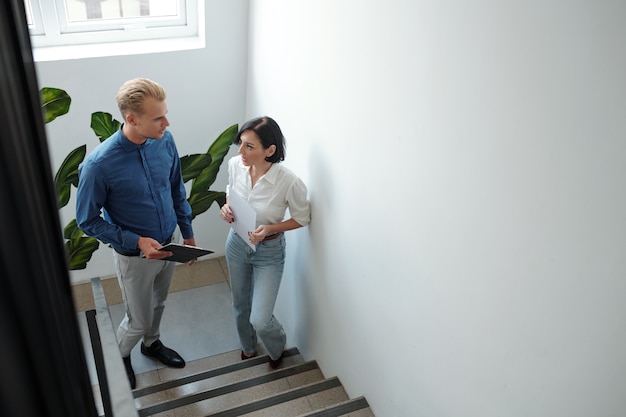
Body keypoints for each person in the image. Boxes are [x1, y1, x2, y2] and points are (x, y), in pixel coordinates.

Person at [76, 78, 196, 389]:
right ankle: (119, 357)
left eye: (165, 114)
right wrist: (136, 241)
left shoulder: (165, 141)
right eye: (158, 117)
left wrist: (188, 232)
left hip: (170, 243)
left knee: (159, 304)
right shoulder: (98, 166)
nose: (166, 123)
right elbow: (87, 221)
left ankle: (151, 344)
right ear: (132, 119)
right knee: (137, 320)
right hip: (135, 257)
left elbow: (176, 189)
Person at [219, 116, 311, 369]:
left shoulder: (289, 182)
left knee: (260, 317)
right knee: (240, 302)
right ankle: (248, 346)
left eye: (249, 146)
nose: (241, 151)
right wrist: (228, 208)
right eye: (241, 144)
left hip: (269, 251)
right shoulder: (236, 164)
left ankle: (276, 346)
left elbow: (302, 218)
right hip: (236, 243)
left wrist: (271, 228)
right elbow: (231, 190)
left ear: (270, 151)